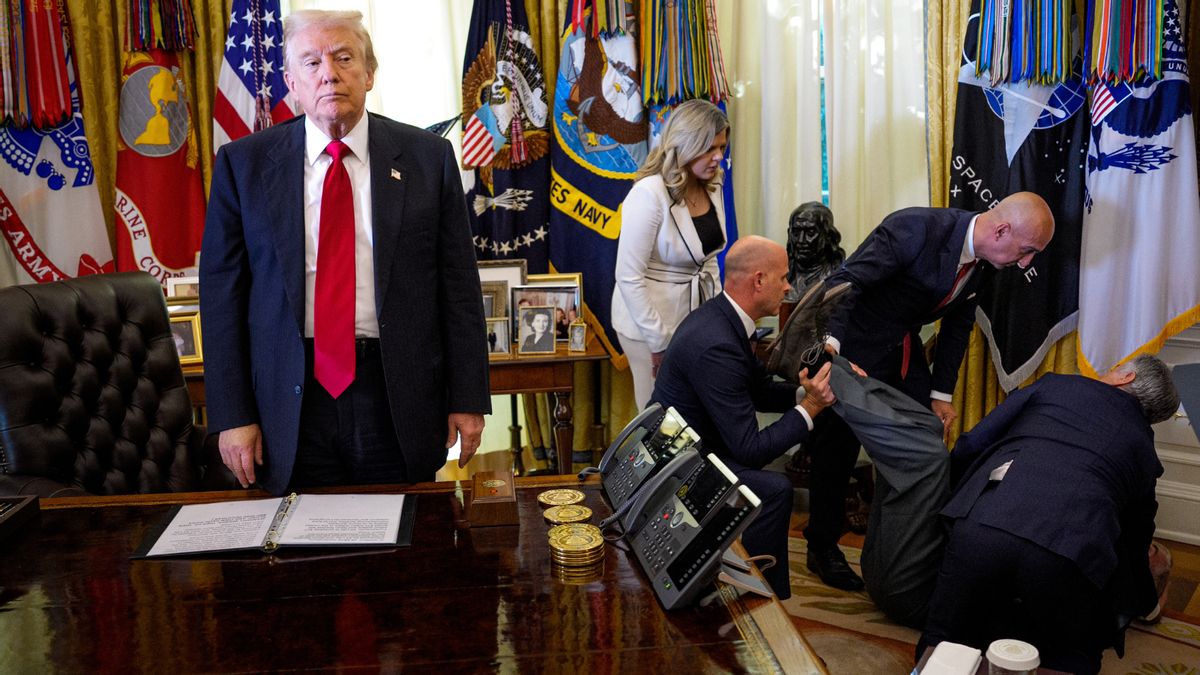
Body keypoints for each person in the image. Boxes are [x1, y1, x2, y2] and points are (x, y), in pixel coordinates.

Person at [199, 10, 490, 494]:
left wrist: (467, 396)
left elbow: (457, 287)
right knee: (298, 557)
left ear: (369, 72)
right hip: (287, 399)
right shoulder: (243, 165)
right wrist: (231, 414)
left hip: (396, 391)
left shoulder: (427, 158)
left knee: (404, 546)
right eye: (310, 63)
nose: (328, 73)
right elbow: (222, 298)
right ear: (290, 81)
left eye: (343, 57)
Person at [801, 191, 1056, 591]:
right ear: (1003, 229)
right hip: (854, 346)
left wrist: (941, 394)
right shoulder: (914, 229)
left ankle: (897, 551)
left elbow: (958, 324)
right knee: (837, 451)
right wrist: (832, 350)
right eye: (1027, 251)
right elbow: (845, 283)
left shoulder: (986, 262)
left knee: (921, 447)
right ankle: (822, 547)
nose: (1028, 263)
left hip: (903, 353)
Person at [918, 355, 1179, 674]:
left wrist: (958, 506)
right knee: (1069, 653)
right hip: (1069, 556)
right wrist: (1141, 602)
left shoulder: (1056, 385)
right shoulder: (1145, 453)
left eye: (1113, 369)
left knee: (946, 639)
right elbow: (1134, 542)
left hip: (984, 527)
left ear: (1125, 378)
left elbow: (972, 444)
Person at [650, 236, 837, 599]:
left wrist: (803, 392)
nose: (788, 286)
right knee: (773, 489)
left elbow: (757, 389)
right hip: (679, 467)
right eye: (783, 278)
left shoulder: (722, 319)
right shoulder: (717, 342)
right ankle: (762, 601)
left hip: (697, 445)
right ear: (758, 280)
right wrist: (811, 408)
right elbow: (750, 450)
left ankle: (753, 585)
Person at [612, 99, 730, 408]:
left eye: (721, 147)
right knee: (659, 419)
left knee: (695, 414)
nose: (719, 157)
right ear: (686, 144)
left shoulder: (712, 185)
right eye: (710, 149)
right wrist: (659, 342)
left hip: (694, 320)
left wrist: (719, 318)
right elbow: (628, 276)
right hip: (647, 324)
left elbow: (709, 260)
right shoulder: (648, 194)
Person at [784, 201, 845, 303]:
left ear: (828, 235)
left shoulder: (838, 278)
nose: (801, 240)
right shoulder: (781, 276)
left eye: (810, 232)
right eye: (796, 232)